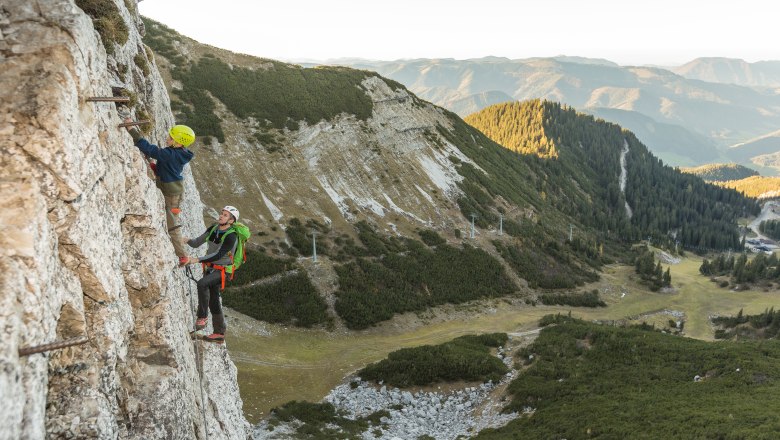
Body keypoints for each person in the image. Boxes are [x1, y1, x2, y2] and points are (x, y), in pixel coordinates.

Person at [125, 119, 195, 264]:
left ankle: (182, 255)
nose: (167, 138)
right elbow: (170, 167)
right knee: (172, 217)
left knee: (173, 225)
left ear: (178, 143)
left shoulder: (169, 153)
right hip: (174, 189)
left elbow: (150, 149)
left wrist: (132, 129)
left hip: (171, 194)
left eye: (171, 137)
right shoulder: (180, 153)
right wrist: (156, 168)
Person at [183, 206, 241, 343]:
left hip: (222, 271)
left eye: (226, 215)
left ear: (231, 221)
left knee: (202, 284)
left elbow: (219, 254)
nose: (221, 216)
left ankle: (202, 317)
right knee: (214, 300)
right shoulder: (213, 229)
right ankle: (219, 333)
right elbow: (197, 243)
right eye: (222, 214)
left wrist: (196, 260)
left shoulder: (231, 236)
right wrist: (184, 240)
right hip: (210, 269)